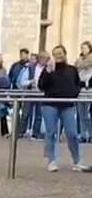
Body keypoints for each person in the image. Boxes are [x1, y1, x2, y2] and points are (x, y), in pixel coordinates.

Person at [37, 44, 88, 172]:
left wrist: (74, 92)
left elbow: (77, 84)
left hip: (67, 104)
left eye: (60, 53)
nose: (58, 56)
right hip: (50, 104)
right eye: (56, 54)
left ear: (65, 54)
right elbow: (41, 85)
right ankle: (51, 161)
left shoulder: (72, 69)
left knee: (72, 134)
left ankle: (77, 161)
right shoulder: (49, 70)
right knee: (51, 133)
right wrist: (47, 73)